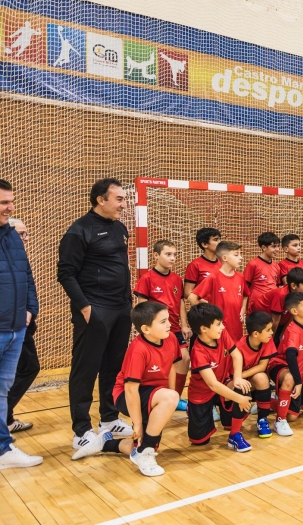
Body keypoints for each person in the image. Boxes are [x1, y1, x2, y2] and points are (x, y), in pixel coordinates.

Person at [57, 178, 135, 452]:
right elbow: (65, 274)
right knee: (85, 369)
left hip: (120, 308)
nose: (124, 205)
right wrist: (87, 308)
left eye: (124, 199)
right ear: (101, 200)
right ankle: (80, 430)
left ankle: (109, 418)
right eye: (119, 199)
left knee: (113, 367)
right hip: (94, 310)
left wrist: (128, 301)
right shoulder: (79, 231)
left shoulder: (120, 229)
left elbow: (120, 267)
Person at [72, 302, 180, 476]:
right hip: (126, 396)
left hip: (154, 394)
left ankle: (106, 443)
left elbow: (172, 368)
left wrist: (172, 397)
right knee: (148, 436)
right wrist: (137, 424)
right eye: (163, 321)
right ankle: (145, 454)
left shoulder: (171, 339)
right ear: (145, 329)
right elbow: (130, 389)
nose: (169, 324)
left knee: (144, 441)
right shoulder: (138, 350)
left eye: (168, 320)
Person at [0, 181, 42, 469]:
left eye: (11, 201)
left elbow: (26, 275)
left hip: (16, 328)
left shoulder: (12, 236)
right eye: (4, 203)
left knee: (2, 390)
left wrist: (30, 309)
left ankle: (3, 449)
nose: (11, 207)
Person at [185, 304, 253, 451]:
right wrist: (238, 399)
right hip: (202, 394)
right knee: (200, 441)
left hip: (222, 385)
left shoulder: (222, 334)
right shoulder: (198, 352)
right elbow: (213, 385)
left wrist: (238, 378)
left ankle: (235, 434)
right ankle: (192, 409)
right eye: (218, 324)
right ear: (203, 329)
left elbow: (236, 355)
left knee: (242, 387)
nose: (222, 327)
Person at [134, 240, 190, 410]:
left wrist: (184, 325)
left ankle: (176, 397)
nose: (172, 258)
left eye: (174, 255)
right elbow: (140, 306)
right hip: (156, 331)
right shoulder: (147, 278)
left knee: (184, 359)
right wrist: (146, 329)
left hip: (174, 329)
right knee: (159, 365)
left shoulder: (176, 279)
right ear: (156, 256)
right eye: (168, 254)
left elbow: (180, 303)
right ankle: (150, 398)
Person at [5, 218, 40, 437]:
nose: (25, 238)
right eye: (21, 233)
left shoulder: (19, 258)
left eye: (26, 233)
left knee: (22, 369)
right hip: (9, 325)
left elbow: (30, 287)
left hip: (22, 324)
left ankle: (6, 418)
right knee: (28, 367)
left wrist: (30, 310)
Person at [267, 291, 303, 434]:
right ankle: (280, 421)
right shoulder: (293, 330)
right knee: (290, 378)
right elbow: (291, 357)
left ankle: (264, 401)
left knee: (293, 416)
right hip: (278, 365)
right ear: (294, 311)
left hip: (298, 371)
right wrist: (298, 382)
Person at [188, 241, 249, 341]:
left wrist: (242, 310)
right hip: (219, 330)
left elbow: (246, 295)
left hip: (236, 328)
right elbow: (192, 297)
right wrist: (208, 315)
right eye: (236, 255)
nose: (241, 257)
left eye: (240, 254)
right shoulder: (213, 277)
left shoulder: (240, 277)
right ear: (224, 258)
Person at [244, 232, 280, 313]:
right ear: (264, 247)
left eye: (278, 246)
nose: (277, 249)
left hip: (271, 306)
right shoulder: (253, 264)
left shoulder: (276, 266)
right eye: (274, 246)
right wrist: (244, 308)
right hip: (256, 307)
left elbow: (276, 286)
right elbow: (245, 287)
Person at [183, 227, 222, 299]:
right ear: (204, 244)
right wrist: (205, 304)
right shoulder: (195, 265)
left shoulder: (223, 263)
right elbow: (187, 293)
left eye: (220, 239)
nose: (220, 242)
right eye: (216, 240)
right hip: (204, 308)